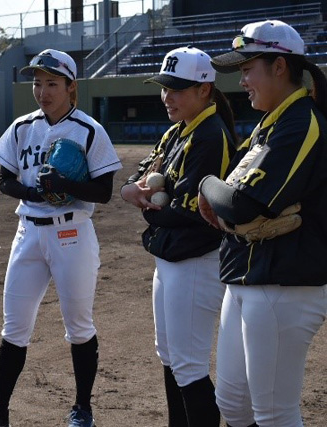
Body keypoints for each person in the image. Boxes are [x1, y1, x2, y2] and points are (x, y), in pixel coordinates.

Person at [0, 49, 122, 427]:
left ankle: (82, 409)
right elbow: (5, 181)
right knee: (14, 328)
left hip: (71, 233)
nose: (43, 92)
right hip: (27, 232)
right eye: (38, 83)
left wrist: (65, 185)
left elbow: (104, 192)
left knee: (79, 326)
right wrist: (34, 193)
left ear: (71, 86)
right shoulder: (23, 127)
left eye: (52, 84)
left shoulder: (88, 130)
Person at [196, 20, 327, 427]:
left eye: (248, 68)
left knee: (273, 413)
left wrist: (205, 183)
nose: (242, 81)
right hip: (248, 275)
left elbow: (241, 204)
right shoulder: (271, 123)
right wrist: (217, 191)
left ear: (280, 67)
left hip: (286, 284)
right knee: (233, 405)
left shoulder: (301, 122)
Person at [120, 46, 238, 426]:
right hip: (170, 258)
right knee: (170, 357)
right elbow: (142, 174)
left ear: (204, 89)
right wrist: (131, 189)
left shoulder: (211, 135)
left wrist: (145, 204)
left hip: (197, 261)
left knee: (189, 366)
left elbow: (190, 212)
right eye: (164, 87)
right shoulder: (177, 131)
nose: (167, 96)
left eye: (177, 88)